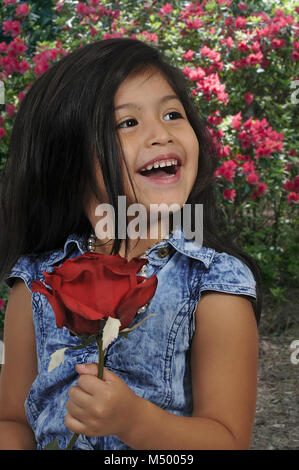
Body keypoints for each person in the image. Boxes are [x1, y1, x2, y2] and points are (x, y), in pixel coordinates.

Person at [0, 38, 262, 450]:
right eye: (127, 122)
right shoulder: (35, 283)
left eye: (173, 114)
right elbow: (14, 420)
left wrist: (136, 422)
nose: (162, 134)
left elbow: (228, 440)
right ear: (66, 157)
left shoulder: (215, 282)